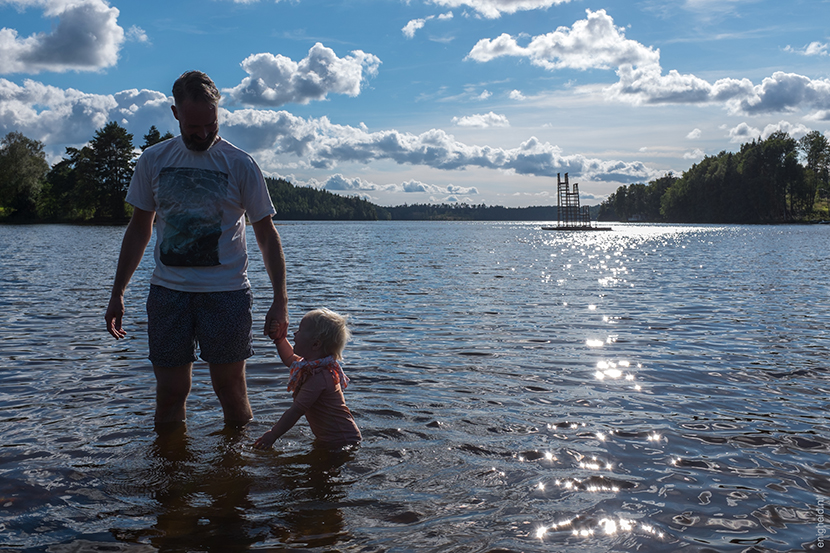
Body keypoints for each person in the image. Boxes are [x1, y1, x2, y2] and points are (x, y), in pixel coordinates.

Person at [104, 70, 288, 426]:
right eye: (194, 127)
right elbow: (139, 229)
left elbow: (266, 235)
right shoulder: (154, 160)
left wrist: (280, 300)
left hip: (226, 294)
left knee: (231, 391)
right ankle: (171, 478)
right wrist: (117, 292)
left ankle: (235, 477)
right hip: (167, 293)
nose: (204, 134)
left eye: (212, 125)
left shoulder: (240, 164)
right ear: (176, 114)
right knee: (170, 394)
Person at [253, 308, 361, 450]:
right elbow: (290, 358)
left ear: (315, 344)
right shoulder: (310, 366)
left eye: (300, 330)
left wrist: (273, 434)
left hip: (342, 441)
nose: (295, 334)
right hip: (332, 439)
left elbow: (296, 411)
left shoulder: (319, 377)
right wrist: (280, 340)